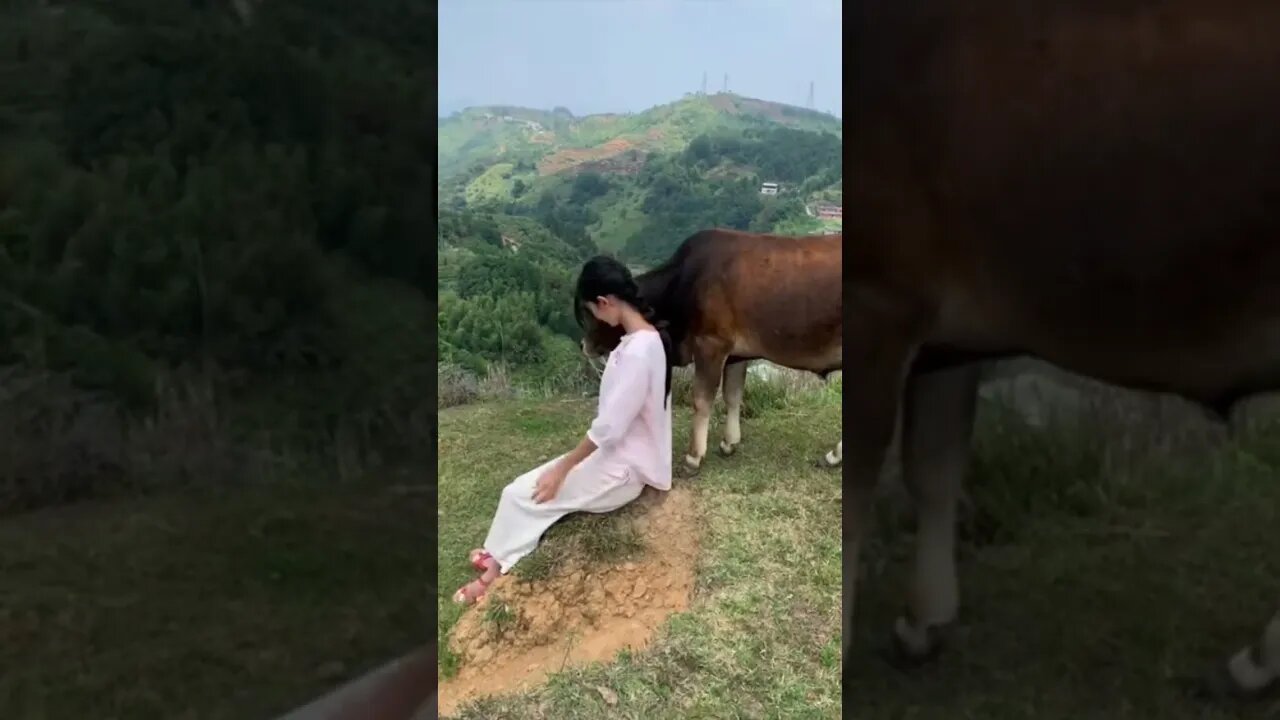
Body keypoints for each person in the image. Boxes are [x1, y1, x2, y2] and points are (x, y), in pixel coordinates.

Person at [453, 255, 676, 605]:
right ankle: (498, 552)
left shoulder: (638, 351)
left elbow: (610, 428)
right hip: (617, 458)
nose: (596, 319)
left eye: (592, 311)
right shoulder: (643, 341)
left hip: (625, 470)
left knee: (526, 494)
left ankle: (494, 572)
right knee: (521, 490)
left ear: (604, 303)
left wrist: (563, 468)